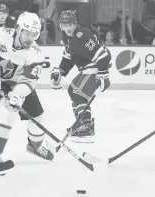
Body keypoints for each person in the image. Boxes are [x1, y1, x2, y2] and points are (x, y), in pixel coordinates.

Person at [0, 11, 54, 173]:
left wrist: (18, 94)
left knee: (37, 119)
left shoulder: (36, 54)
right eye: (27, 33)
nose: (30, 38)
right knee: (8, 112)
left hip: (19, 85)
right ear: (18, 29)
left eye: (34, 34)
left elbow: (28, 81)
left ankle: (35, 146)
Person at [50, 10, 111, 143]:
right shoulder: (70, 39)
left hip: (95, 68)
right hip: (87, 70)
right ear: (61, 26)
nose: (68, 28)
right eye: (65, 25)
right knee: (72, 90)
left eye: (70, 24)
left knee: (79, 94)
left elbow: (103, 55)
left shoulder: (82, 35)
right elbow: (68, 60)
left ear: (75, 23)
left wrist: (103, 75)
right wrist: (59, 72)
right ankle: (80, 122)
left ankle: (86, 126)